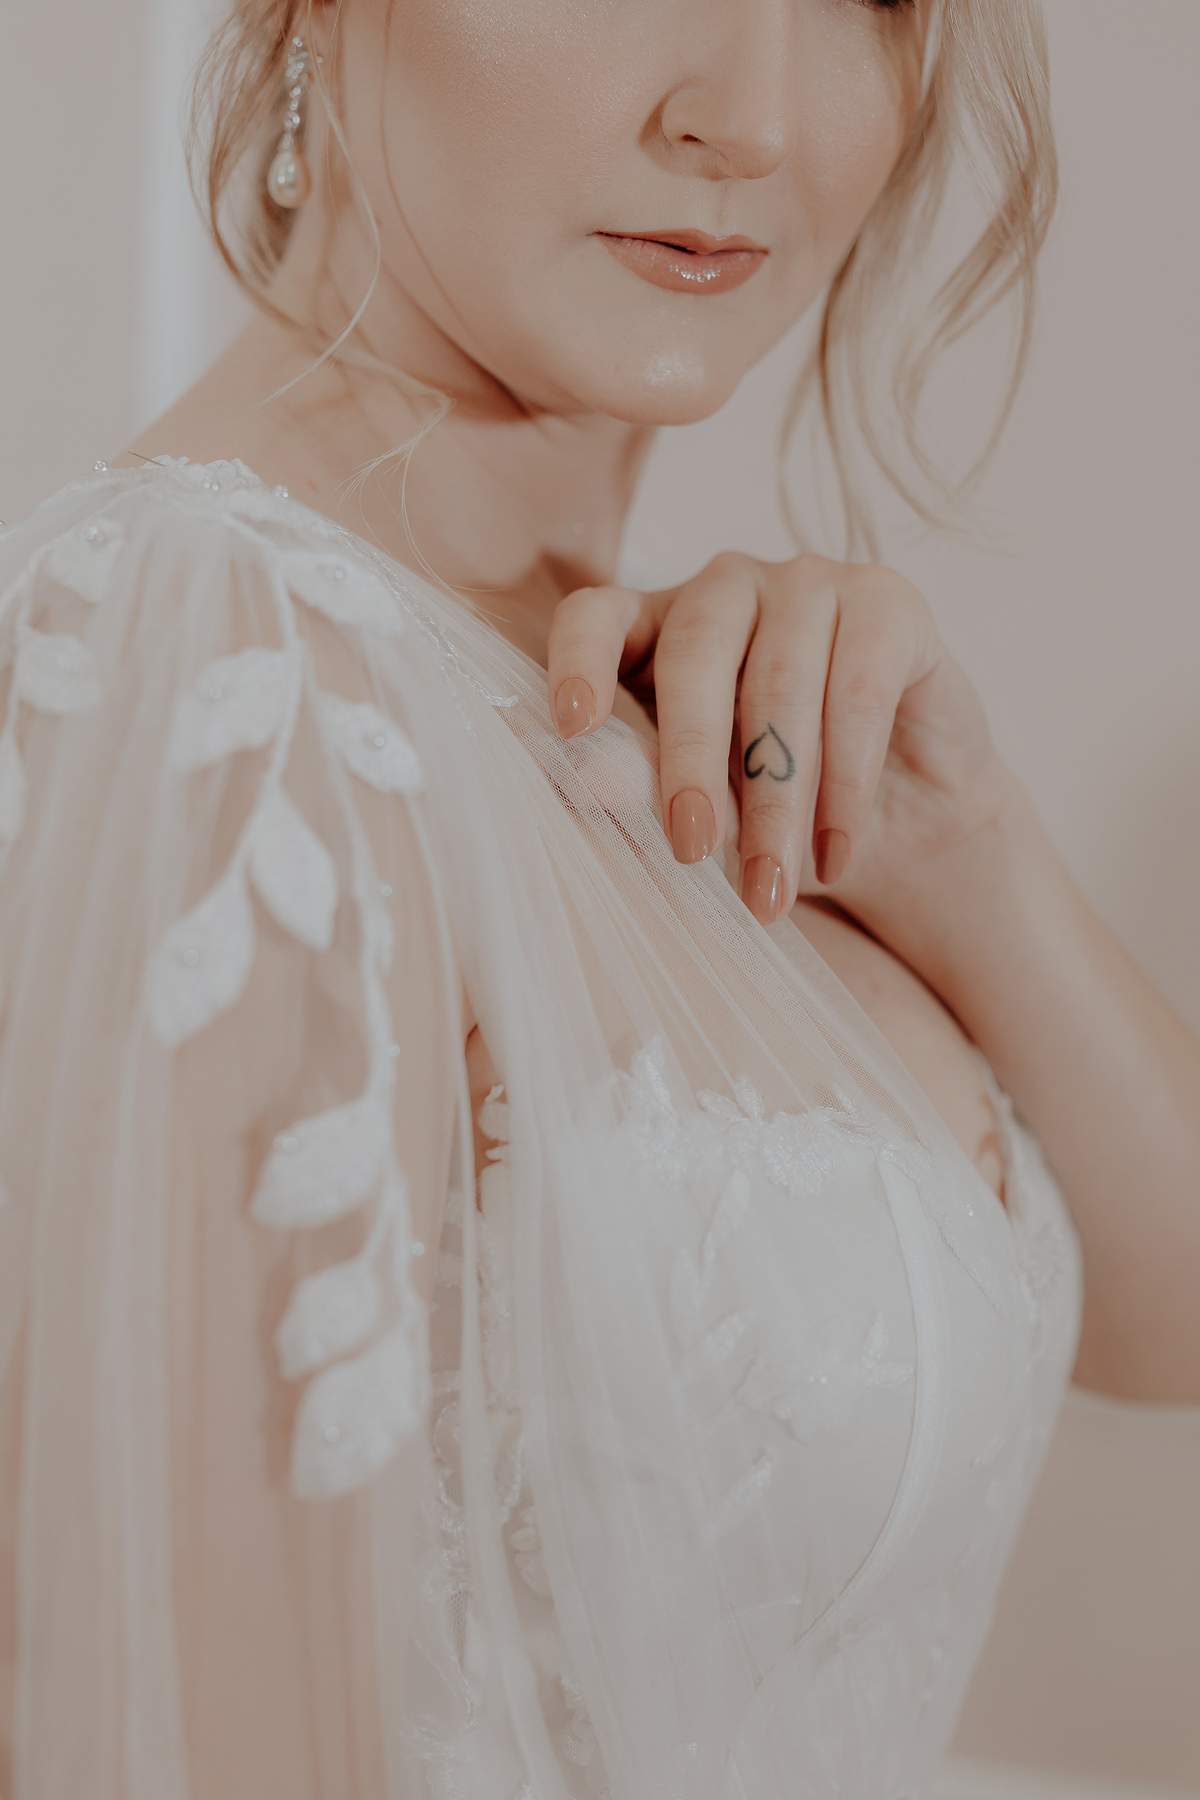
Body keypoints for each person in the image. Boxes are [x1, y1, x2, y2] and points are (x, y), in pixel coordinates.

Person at [0, 0, 1196, 1794]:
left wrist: (970, 853)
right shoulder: (221, 662)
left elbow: (1167, 1319)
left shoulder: (668, 726)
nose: (752, 118)